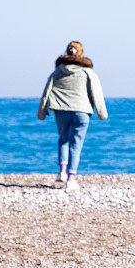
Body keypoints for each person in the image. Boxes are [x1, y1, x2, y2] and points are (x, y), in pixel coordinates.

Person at [37, 41, 108, 192]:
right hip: (82, 112)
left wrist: (42, 111)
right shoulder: (88, 72)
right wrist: (102, 113)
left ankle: (62, 171)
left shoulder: (57, 72)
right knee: (76, 144)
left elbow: (46, 91)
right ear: (81, 53)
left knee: (63, 140)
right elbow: (97, 93)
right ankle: (70, 179)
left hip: (61, 110)